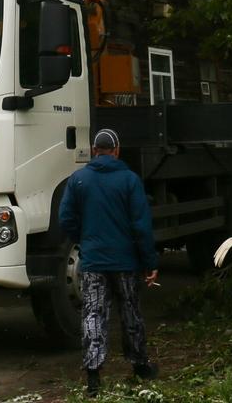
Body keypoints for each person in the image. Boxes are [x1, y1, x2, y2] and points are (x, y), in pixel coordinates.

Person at [58, 128, 158, 397]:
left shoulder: (78, 180)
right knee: (130, 310)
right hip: (126, 261)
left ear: (94, 151)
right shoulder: (130, 180)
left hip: (93, 262)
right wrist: (149, 261)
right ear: (117, 151)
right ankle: (140, 366)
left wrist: (84, 238)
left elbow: (65, 218)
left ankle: (93, 377)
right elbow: (141, 225)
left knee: (93, 313)